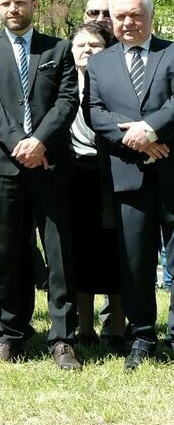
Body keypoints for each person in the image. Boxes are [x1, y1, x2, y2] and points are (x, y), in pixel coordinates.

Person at [0, 0, 79, 369]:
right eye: (7, 4)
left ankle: (62, 338)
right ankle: (9, 335)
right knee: (6, 252)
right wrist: (20, 142)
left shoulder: (58, 48)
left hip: (49, 162)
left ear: (33, 4)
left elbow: (68, 100)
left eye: (21, 2)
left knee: (59, 251)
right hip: (2, 163)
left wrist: (40, 141)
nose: (14, 9)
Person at [85, 0, 174, 371]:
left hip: (172, 173)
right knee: (134, 260)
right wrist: (135, 138)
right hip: (127, 174)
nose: (127, 22)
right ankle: (142, 336)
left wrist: (151, 129)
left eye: (135, 14)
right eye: (120, 15)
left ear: (150, 16)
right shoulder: (101, 62)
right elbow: (96, 112)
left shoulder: (170, 52)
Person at [66, 26, 126, 354]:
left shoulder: (116, 81)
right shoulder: (61, 83)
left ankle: (118, 324)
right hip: (74, 174)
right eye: (81, 44)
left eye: (95, 44)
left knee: (114, 248)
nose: (87, 50)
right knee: (79, 250)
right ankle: (84, 325)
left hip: (112, 172)